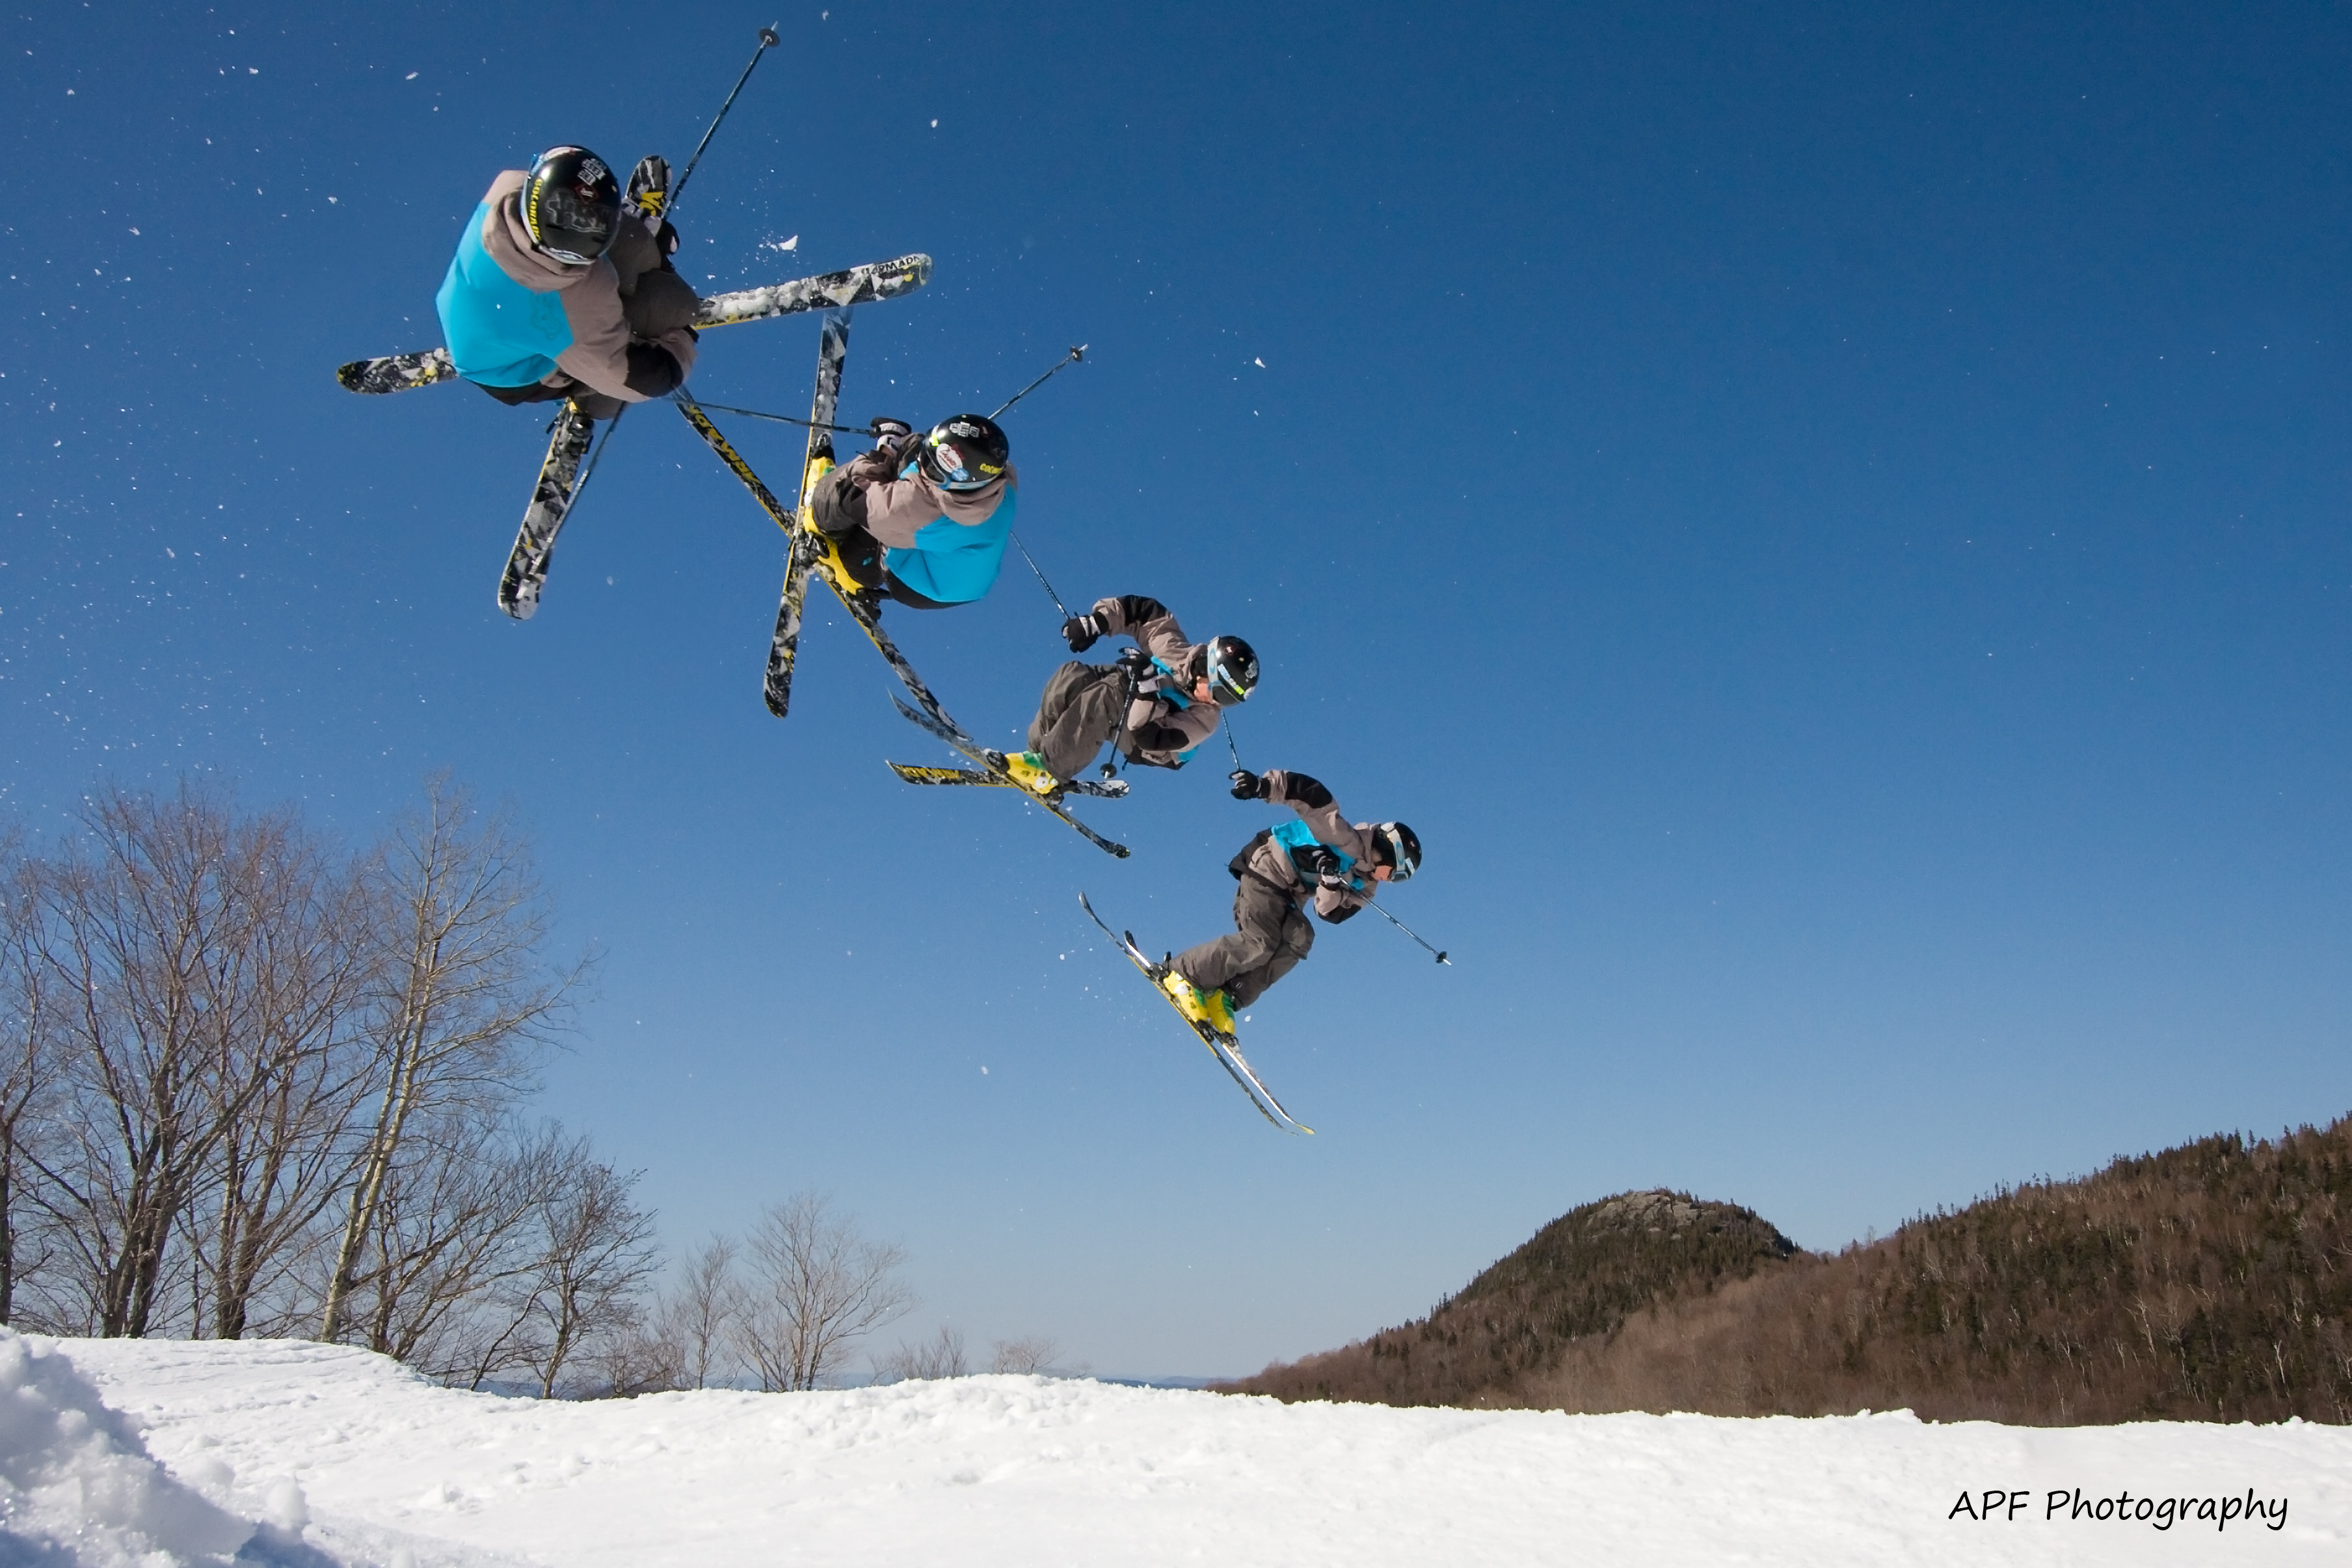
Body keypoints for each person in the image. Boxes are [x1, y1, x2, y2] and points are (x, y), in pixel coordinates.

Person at [434, 146, 702, 421]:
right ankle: (586, 403)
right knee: (666, 307)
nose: (580, 241)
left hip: (474, 314)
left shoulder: (509, 188)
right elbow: (641, 381)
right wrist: (680, 341)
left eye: (599, 223)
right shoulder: (569, 314)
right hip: (518, 375)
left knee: (631, 242)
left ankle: (640, 244)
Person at [1160, 769, 1421, 1035]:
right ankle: (1183, 974)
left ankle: (1226, 995)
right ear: (1386, 852)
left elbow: (1329, 913)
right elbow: (1309, 794)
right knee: (1260, 941)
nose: (1389, 881)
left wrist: (1330, 881)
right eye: (1394, 874)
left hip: (1289, 894)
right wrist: (1262, 786)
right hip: (1267, 866)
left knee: (1300, 939)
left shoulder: (1366, 886)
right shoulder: (1343, 837)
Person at [987, 596, 1257, 799]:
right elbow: (1142, 613)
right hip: (1137, 690)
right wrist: (1096, 623)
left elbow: (1148, 737)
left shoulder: (1205, 719)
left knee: (1109, 695)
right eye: (1220, 692)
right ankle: (1037, 755)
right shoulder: (1173, 649)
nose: (1218, 702)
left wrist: (1146, 687)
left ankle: (1050, 769)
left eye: (1229, 700)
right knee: (1072, 676)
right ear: (1205, 668)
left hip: (1154, 745)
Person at [807, 414, 1016, 611]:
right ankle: (920, 449)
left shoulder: (924, 513)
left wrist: (882, 457)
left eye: (934, 471)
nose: (922, 466)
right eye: (927, 454)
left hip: (917, 585)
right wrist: (902, 446)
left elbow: (858, 496)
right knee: (913, 448)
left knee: (856, 496)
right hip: (965, 581)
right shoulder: (1000, 481)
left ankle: (850, 570)